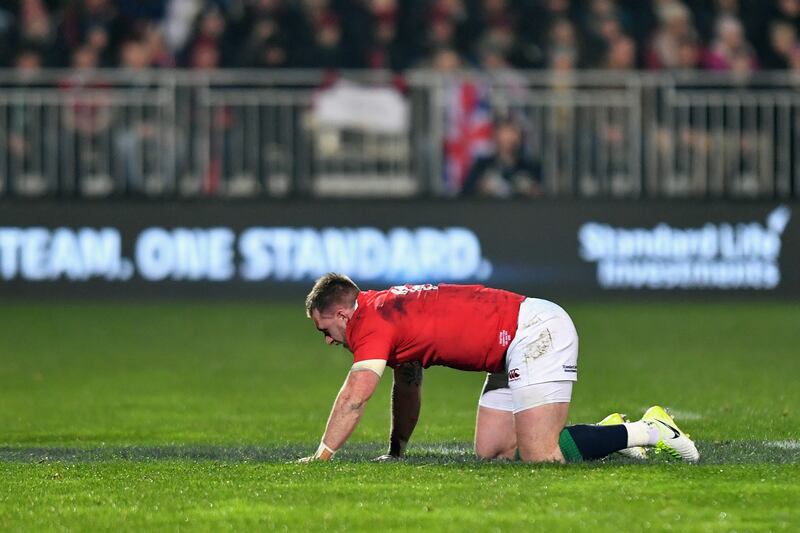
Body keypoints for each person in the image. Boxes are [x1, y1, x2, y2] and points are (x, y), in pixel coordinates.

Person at [299, 273, 700, 464]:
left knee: (540, 457)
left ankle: (651, 430)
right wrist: (396, 451)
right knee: (494, 451)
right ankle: (608, 432)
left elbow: (356, 396)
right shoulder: (383, 311)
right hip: (511, 349)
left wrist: (323, 455)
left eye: (326, 329)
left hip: (534, 332)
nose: (329, 340)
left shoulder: (370, 321)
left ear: (341, 312)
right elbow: (407, 383)